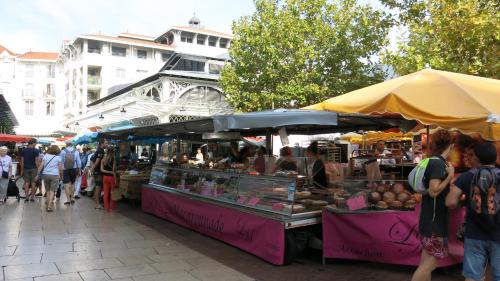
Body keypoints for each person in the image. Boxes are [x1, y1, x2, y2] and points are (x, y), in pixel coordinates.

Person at [446, 142, 500, 281]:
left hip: (474, 233)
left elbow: (450, 202)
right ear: (495, 157)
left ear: (476, 158)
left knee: (472, 276)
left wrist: (464, 201)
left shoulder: (466, 176)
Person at [411, 129, 455, 281]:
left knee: (425, 264)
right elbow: (434, 191)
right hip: (434, 224)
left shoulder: (430, 160)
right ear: (451, 146)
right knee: (428, 266)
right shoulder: (438, 164)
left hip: (428, 220)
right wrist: (450, 176)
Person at [37, 145, 62, 212]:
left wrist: (37, 174)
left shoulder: (46, 156)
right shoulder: (58, 158)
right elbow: (60, 168)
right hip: (54, 175)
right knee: (52, 191)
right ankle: (49, 206)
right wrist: (61, 175)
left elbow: (41, 166)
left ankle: (48, 203)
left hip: (46, 175)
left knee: (47, 190)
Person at [90, 139, 107, 209]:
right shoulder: (100, 151)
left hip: (97, 172)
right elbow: (97, 161)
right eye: (106, 143)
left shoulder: (98, 150)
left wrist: (92, 168)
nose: (107, 144)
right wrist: (92, 169)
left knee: (98, 187)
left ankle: (97, 202)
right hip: (98, 172)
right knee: (98, 188)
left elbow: (91, 159)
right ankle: (97, 204)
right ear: (102, 144)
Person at [101, 146, 117, 212]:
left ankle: (106, 207)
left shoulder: (103, 159)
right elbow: (114, 171)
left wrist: (107, 172)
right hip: (111, 177)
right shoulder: (114, 158)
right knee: (112, 193)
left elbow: (102, 170)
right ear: (113, 151)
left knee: (106, 193)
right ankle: (111, 208)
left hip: (105, 178)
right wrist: (115, 179)